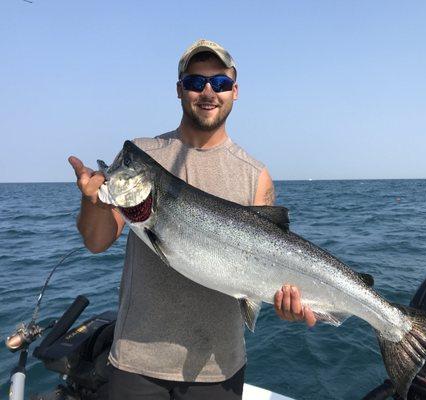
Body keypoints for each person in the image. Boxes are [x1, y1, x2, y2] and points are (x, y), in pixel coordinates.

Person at [68, 39, 316, 400]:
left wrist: (290, 303)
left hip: (219, 368)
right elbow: (96, 241)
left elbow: (268, 263)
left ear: (235, 91)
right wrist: (93, 202)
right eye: (196, 82)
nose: (208, 92)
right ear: (180, 90)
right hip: (136, 363)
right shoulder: (140, 155)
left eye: (220, 83)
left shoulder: (255, 175)